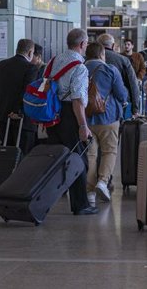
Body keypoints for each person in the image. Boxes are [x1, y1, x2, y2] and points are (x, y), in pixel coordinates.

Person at [46, 28, 98, 215]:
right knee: (78, 160)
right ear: (83, 44)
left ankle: (43, 198)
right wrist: (83, 126)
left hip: (52, 114)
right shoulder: (79, 67)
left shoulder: (54, 61)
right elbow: (77, 100)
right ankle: (80, 204)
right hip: (70, 115)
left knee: (56, 159)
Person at [84, 43, 128, 206]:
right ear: (102, 55)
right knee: (109, 151)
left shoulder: (80, 69)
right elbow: (122, 95)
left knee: (90, 155)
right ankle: (102, 182)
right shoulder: (110, 70)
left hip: (86, 120)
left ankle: (89, 193)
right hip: (108, 118)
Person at [0, 39, 39, 154]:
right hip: (23, 120)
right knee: (23, 156)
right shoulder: (31, 68)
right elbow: (27, 93)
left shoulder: (2, 65)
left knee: (7, 155)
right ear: (30, 52)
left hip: (4, 117)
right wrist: (18, 111)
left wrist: (2, 109)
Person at [97, 33, 140, 116]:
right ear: (113, 45)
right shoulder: (123, 59)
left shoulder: (88, 60)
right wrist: (135, 109)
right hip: (117, 104)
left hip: (93, 103)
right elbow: (133, 84)